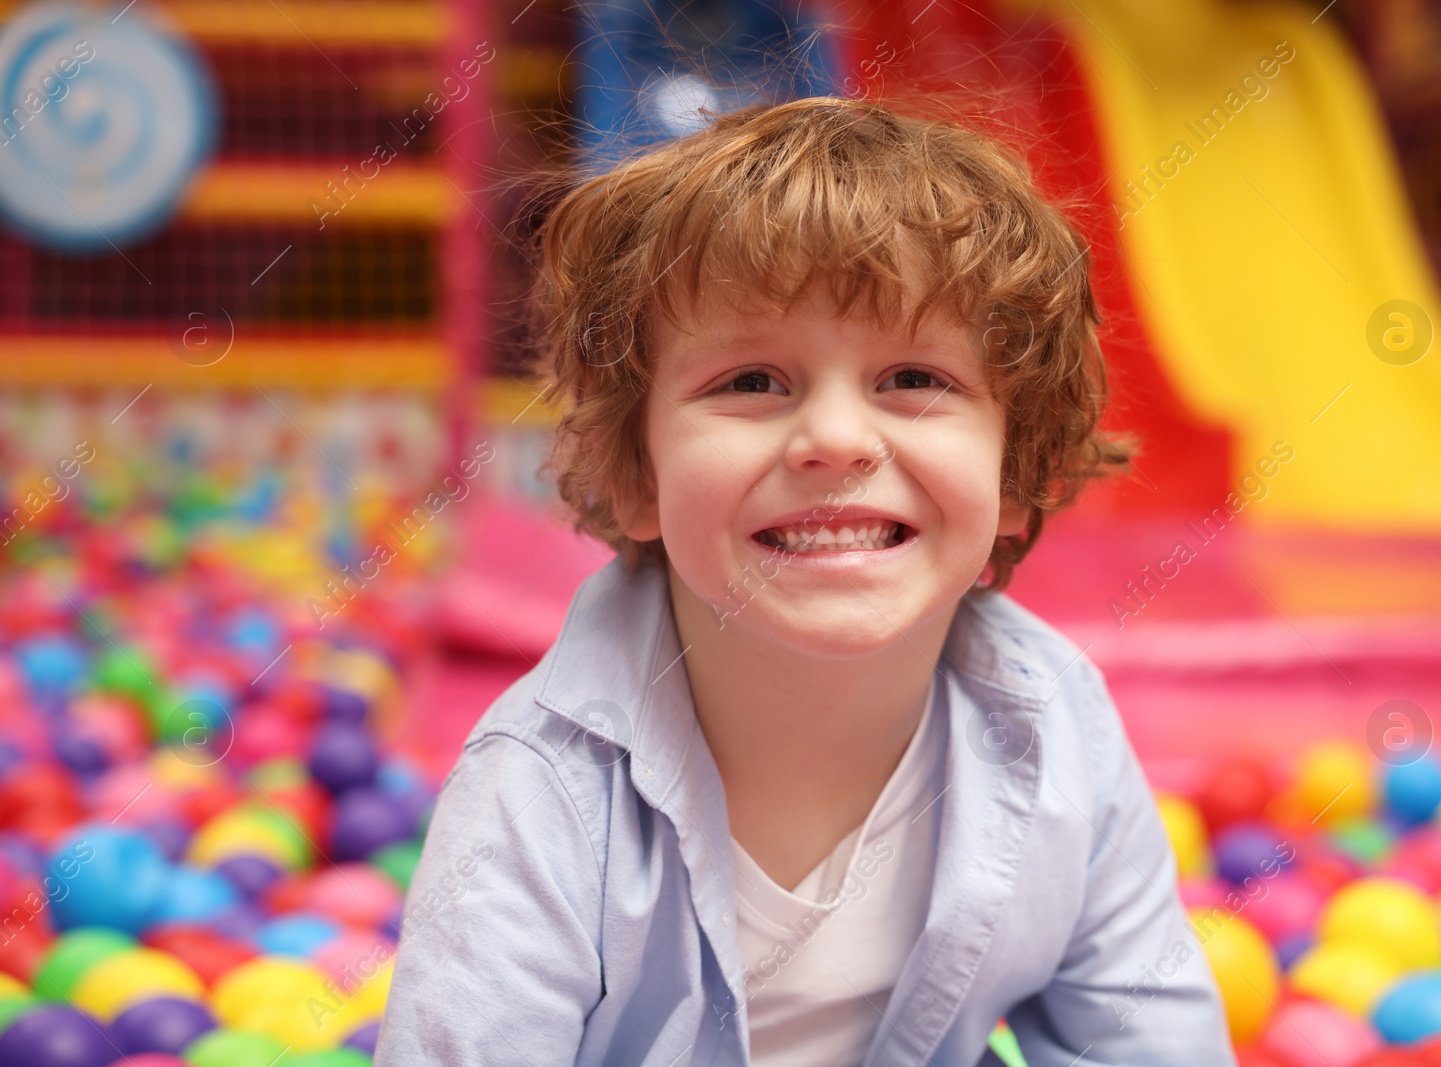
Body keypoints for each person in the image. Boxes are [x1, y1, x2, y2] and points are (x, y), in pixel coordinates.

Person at [374, 96, 1234, 1067]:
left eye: (914, 376)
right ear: (635, 474)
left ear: (1015, 473)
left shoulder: (1054, 722)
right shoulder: (541, 789)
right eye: (751, 381)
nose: (834, 439)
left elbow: (1148, 1037)